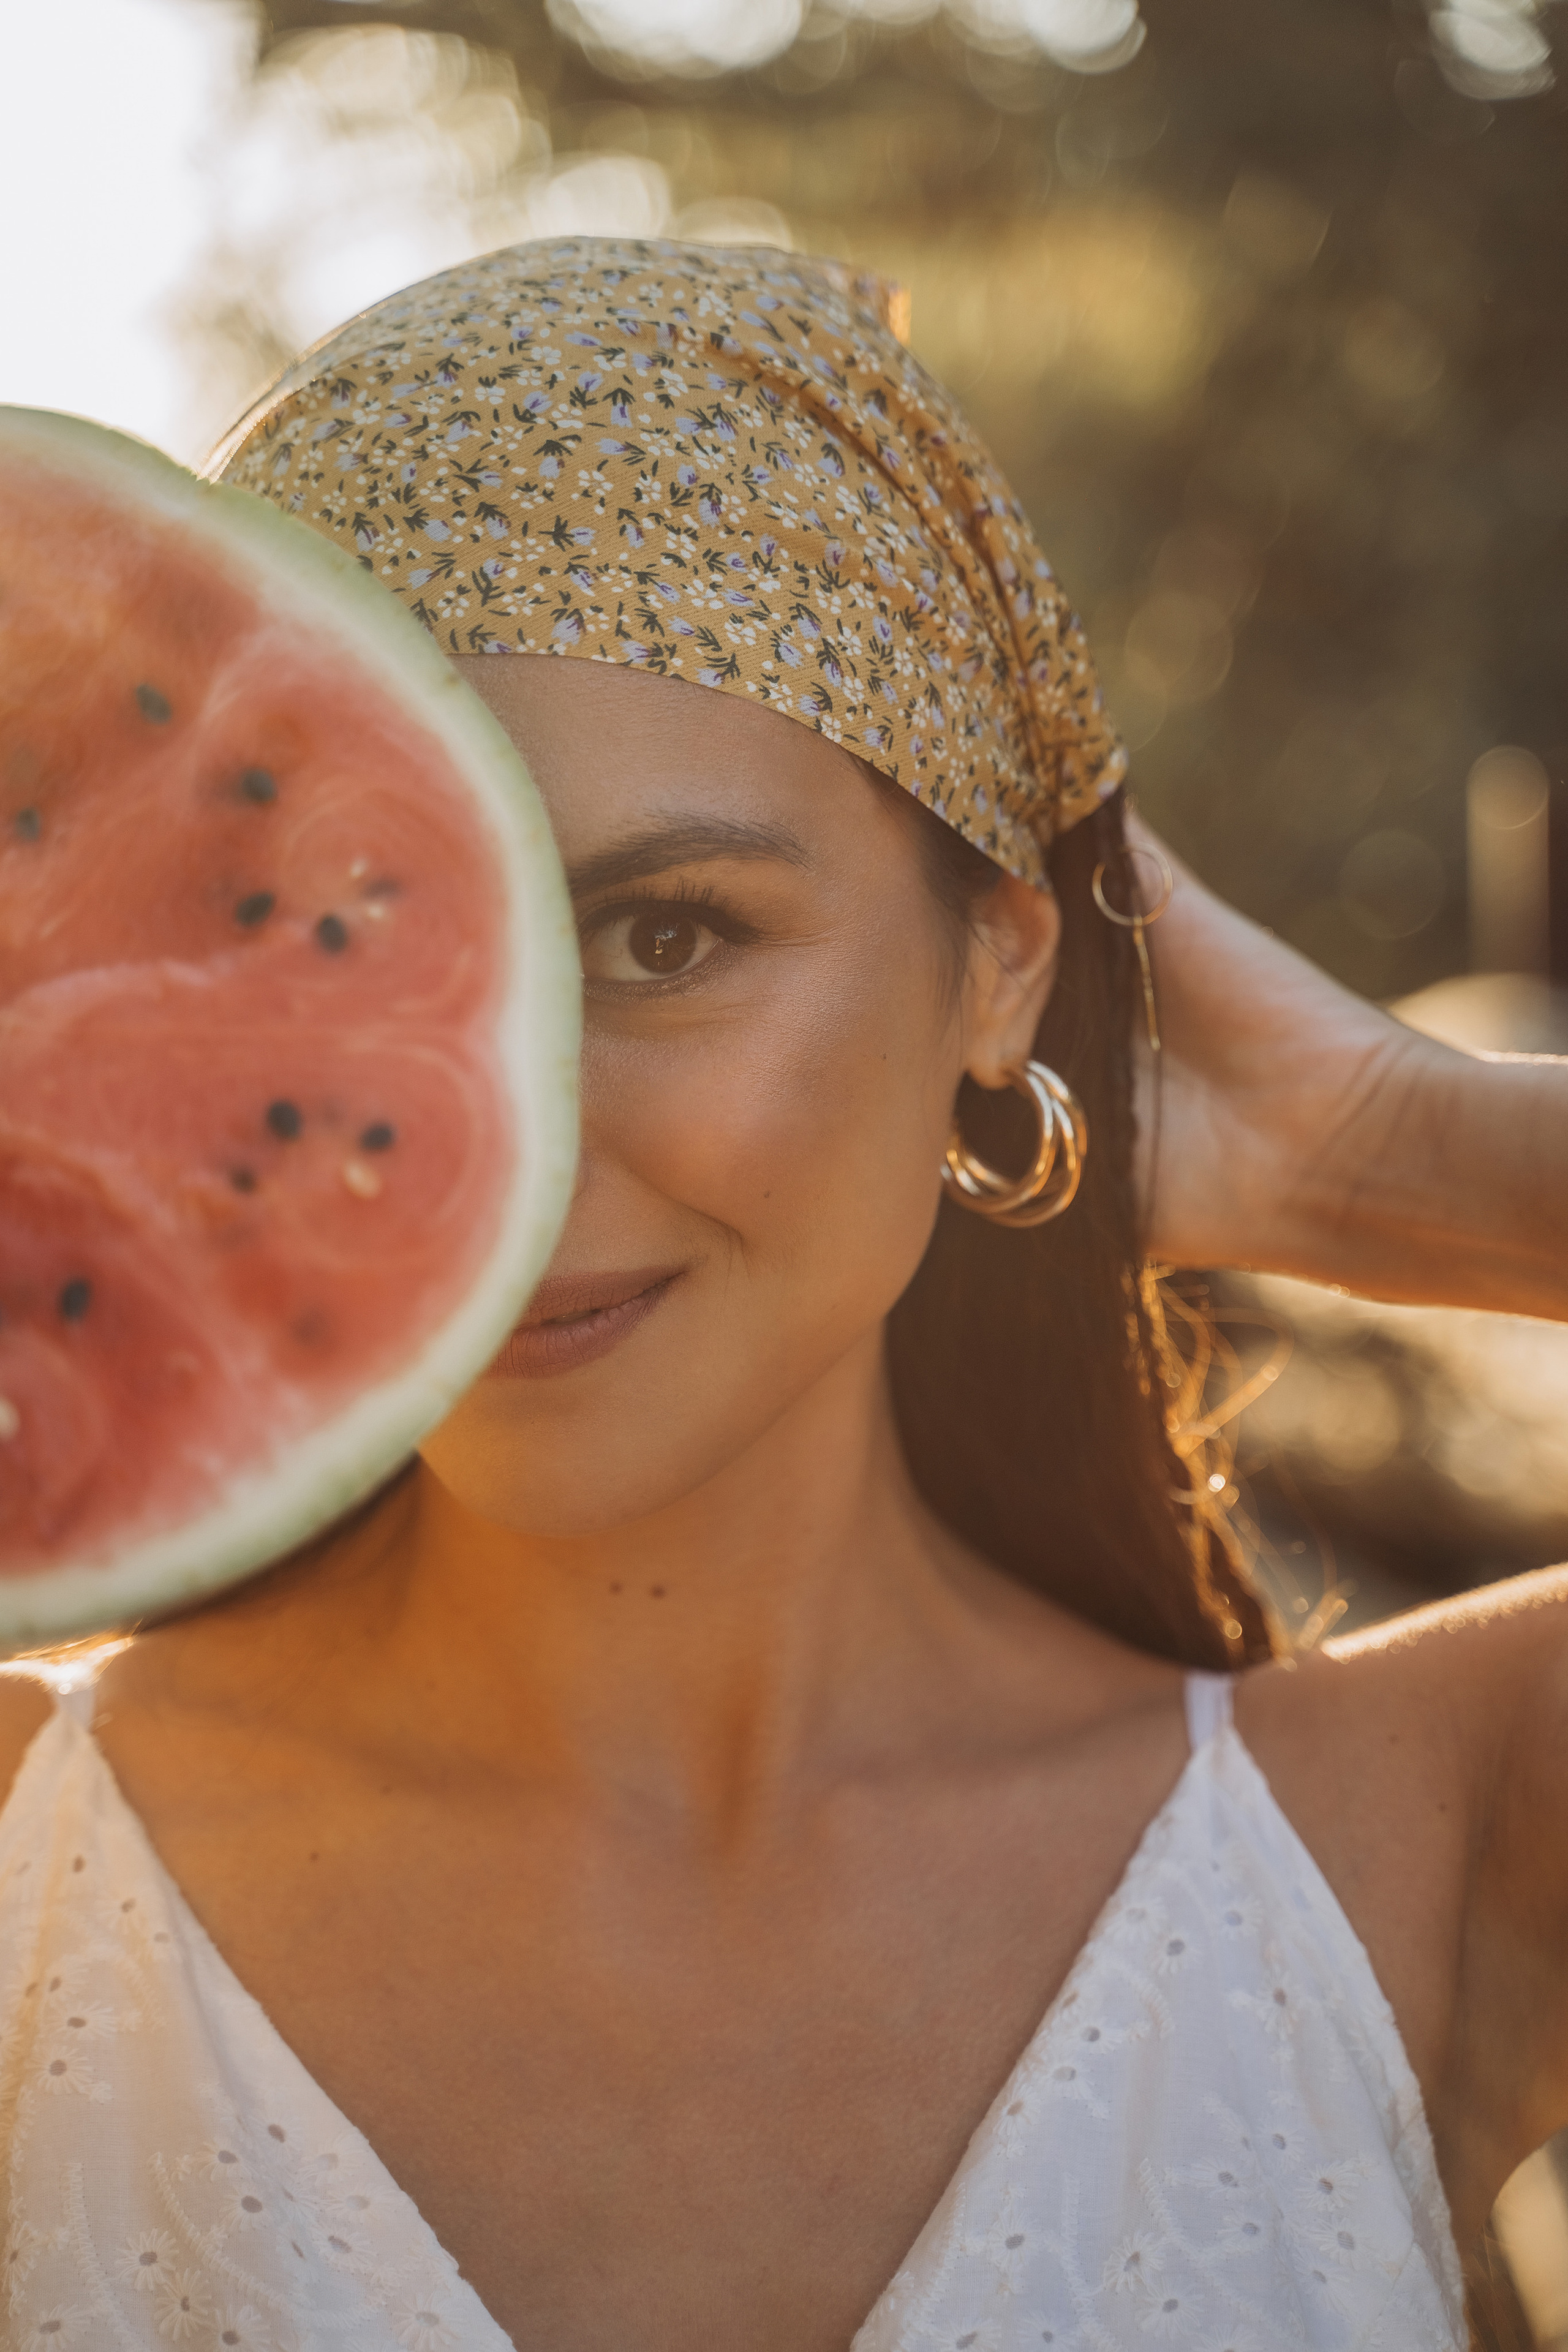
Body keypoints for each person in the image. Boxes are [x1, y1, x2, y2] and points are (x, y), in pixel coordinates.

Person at [1, 239, 1564, 2352]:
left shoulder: (1435, 1818)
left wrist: (1392, 1150)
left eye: (664, 942)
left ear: (996, 961)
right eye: (348, 955)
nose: (504, 1148)